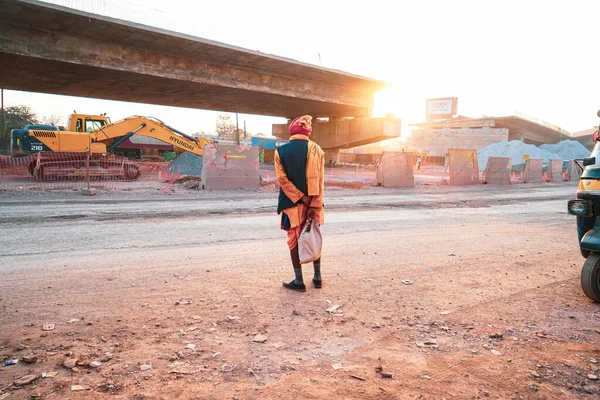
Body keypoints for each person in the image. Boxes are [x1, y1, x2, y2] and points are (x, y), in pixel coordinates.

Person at [274, 115, 325, 292]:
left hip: (291, 205)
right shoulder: (317, 150)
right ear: (307, 131)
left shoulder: (281, 151)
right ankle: (317, 278)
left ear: (292, 130)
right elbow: (320, 181)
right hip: (314, 205)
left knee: (294, 241)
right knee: (313, 237)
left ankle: (299, 281)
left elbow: (282, 179)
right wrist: (313, 204)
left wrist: (300, 198)